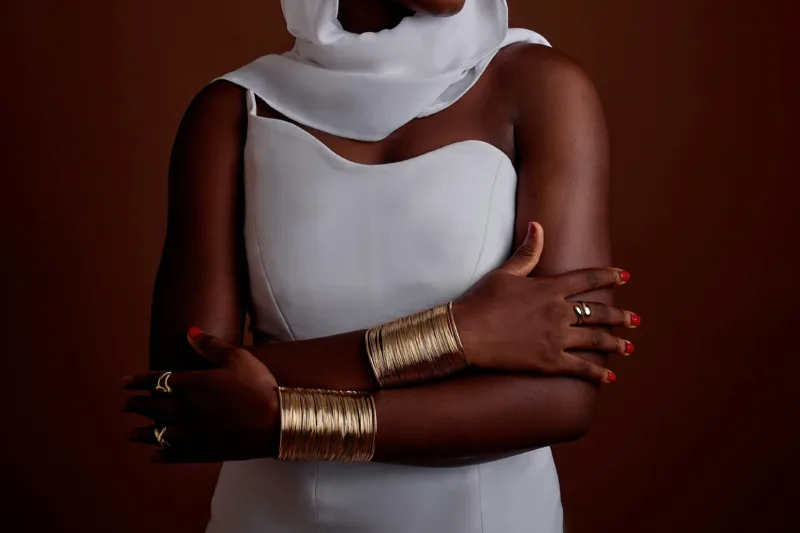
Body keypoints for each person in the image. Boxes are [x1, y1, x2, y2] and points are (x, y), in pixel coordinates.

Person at [122, 0, 641, 531]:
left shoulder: (540, 87)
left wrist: (285, 420)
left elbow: (562, 400)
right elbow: (186, 389)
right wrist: (457, 335)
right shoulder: (234, 110)